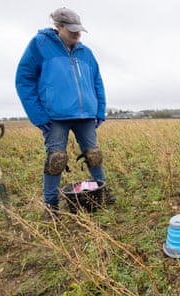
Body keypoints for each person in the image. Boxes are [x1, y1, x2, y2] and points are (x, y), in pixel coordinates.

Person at [15, 7, 114, 220]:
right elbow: (24, 81)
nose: (77, 35)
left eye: (79, 31)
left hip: (86, 114)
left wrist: (99, 110)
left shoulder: (85, 52)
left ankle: (103, 192)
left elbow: (97, 81)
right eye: (72, 31)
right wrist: (38, 116)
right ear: (58, 27)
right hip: (54, 116)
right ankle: (51, 206)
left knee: (94, 155)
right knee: (56, 159)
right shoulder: (39, 46)